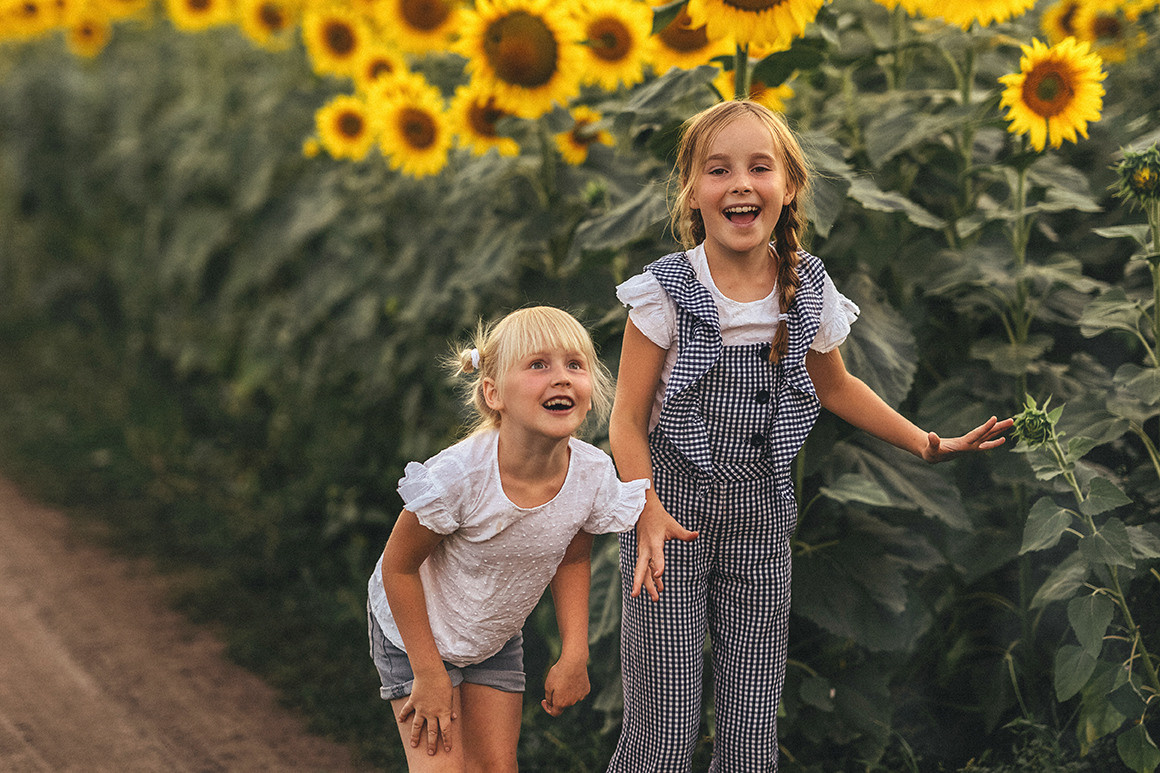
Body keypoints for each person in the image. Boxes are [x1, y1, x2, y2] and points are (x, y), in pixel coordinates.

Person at [605, 99, 1013, 772]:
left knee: (750, 720)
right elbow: (626, 416)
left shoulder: (805, 289)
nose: (739, 183)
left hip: (762, 517)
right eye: (718, 170)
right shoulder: (666, 292)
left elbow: (837, 386)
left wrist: (925, 442)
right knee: (665, 720)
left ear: (787, 186)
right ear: (693, 192)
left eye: (759, 167)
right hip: (666, 518)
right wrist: (643, 507)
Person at [367, 306, 649, 772]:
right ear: (493, 393)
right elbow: (398, 568)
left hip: (492, 634)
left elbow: (573, 561)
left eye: (574, 364)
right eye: (539, 364)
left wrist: (574, 652)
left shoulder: (591, 474)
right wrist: (429, 672)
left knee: (497, 767)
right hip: (414, 631)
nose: (561, 378)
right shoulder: (459, 477)